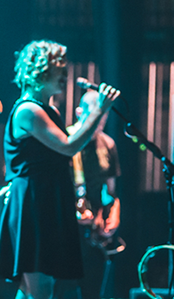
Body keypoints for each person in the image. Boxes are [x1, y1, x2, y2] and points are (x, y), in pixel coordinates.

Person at [0, 40, 120, 299]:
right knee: (40, 289)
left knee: (33, 290)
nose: (65, 75)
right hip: (34, 205)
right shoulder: (28, 111)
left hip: (46, 202)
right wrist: (100, 109)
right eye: (58, 68)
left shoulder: (49, 110)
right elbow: (69, 146)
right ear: (38, 71)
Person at [67, 90, 122, 299]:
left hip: (96, 230)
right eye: (96, 114)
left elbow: (111, 190)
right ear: (80, 112)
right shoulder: (67, 141)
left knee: (93, 290)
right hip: (68, 231)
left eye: (104, 115)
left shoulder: (108, 144)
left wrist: (114, 216)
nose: (100, 120)